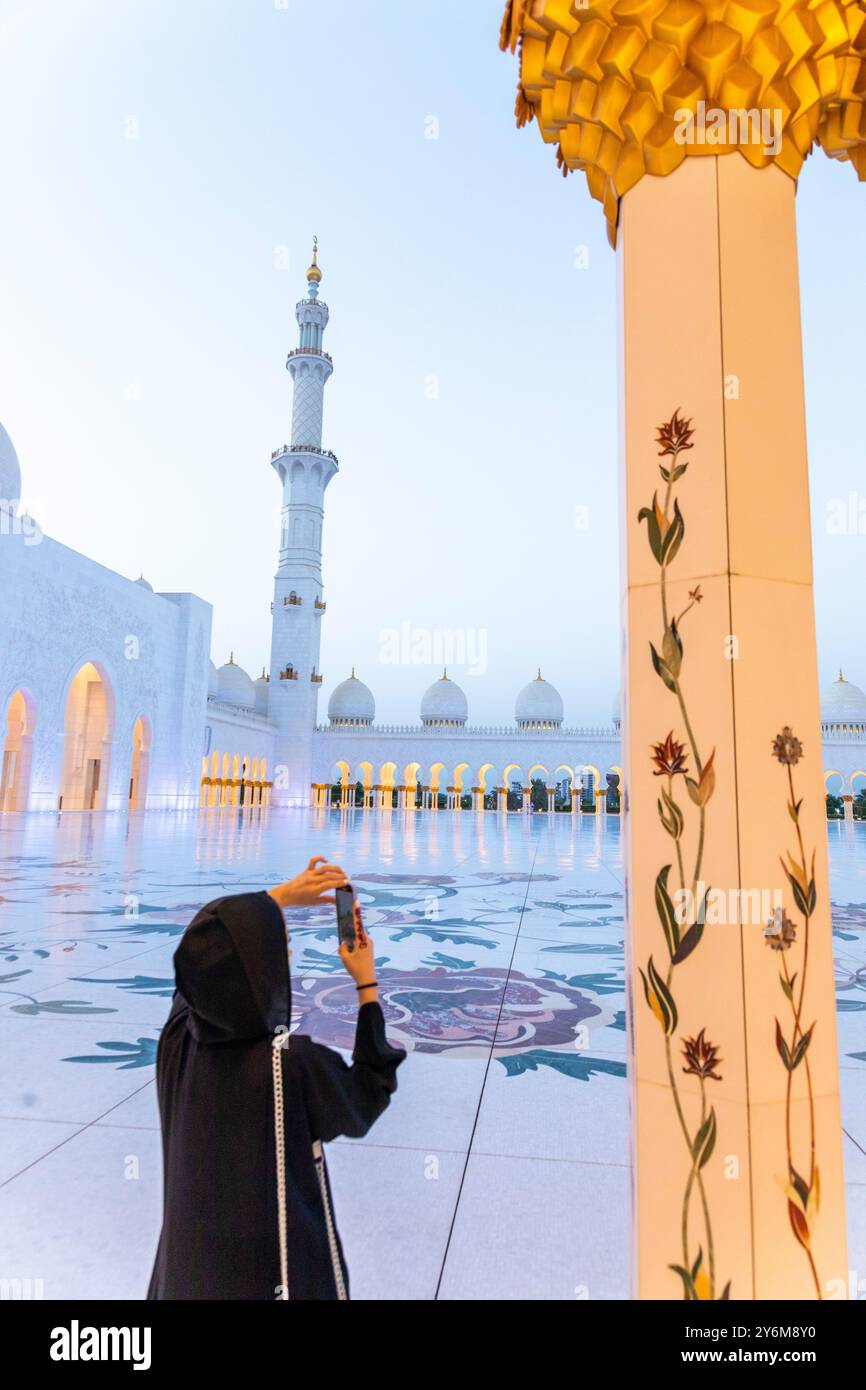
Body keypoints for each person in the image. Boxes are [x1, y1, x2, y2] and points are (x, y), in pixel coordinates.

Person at [147, 856, 405, 1300]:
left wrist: (278, 897)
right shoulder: (291, 1066)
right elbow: (368, 1095)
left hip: (184, 1278)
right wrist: (367, 986)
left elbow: (199, 955)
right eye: (281, 944)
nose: (286, 953)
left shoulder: (177, 1041)